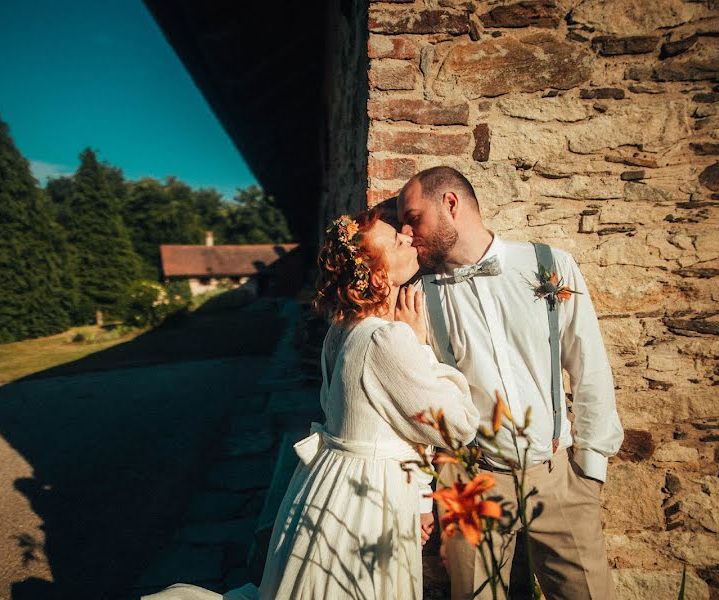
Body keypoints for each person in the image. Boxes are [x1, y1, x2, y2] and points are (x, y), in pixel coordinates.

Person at [146, 208, 479, 600]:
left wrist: (422, 497)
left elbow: (392, 425)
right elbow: (458, 425)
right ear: (377, 277)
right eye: (396, 240)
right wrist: (420, 345)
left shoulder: (340, 330)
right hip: (366, 500)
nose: (408, 237)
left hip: (328, 484)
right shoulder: (387, 339)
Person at [397, 166, 624, 600]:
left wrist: (590, 469)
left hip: (559, 476)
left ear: (450, 204)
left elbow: (589, 363)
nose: (407, 232)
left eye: (414, 217)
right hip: (472, 482)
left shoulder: (549, 265)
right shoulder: (419, 296)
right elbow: (421, 403)